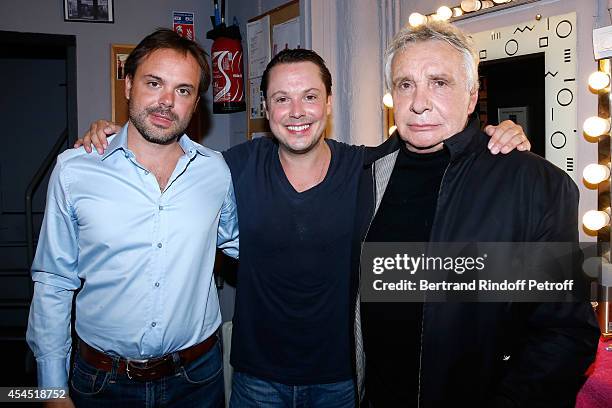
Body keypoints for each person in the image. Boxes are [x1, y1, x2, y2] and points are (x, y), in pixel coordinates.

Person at [77, 49, 528, 407]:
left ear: (328, 103)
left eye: (310, 96)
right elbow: (165, 155)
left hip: (344, 380)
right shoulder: (227, 169)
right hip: (255, 379)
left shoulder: (370, 167)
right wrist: (110, 133)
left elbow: (433, 139)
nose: (297, 111)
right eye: (281, 98)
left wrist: (496, 134)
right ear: (266, 108)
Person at [356, 21, 600, 407]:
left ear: (472, 97)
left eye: (439, 82)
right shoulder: (365, 176)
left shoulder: (533, 184)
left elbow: (564, 334)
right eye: (405, 84)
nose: (419, 102)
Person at [26, 29, 238, 408]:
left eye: (184, 90)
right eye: (154, 83)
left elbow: (241, 243)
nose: (167, 102)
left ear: (195, 104)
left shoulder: (216, 172)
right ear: (128, 85)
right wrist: (51, 390)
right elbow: (53, 283)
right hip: (101, 381)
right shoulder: (75, 170)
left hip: (197, 379)